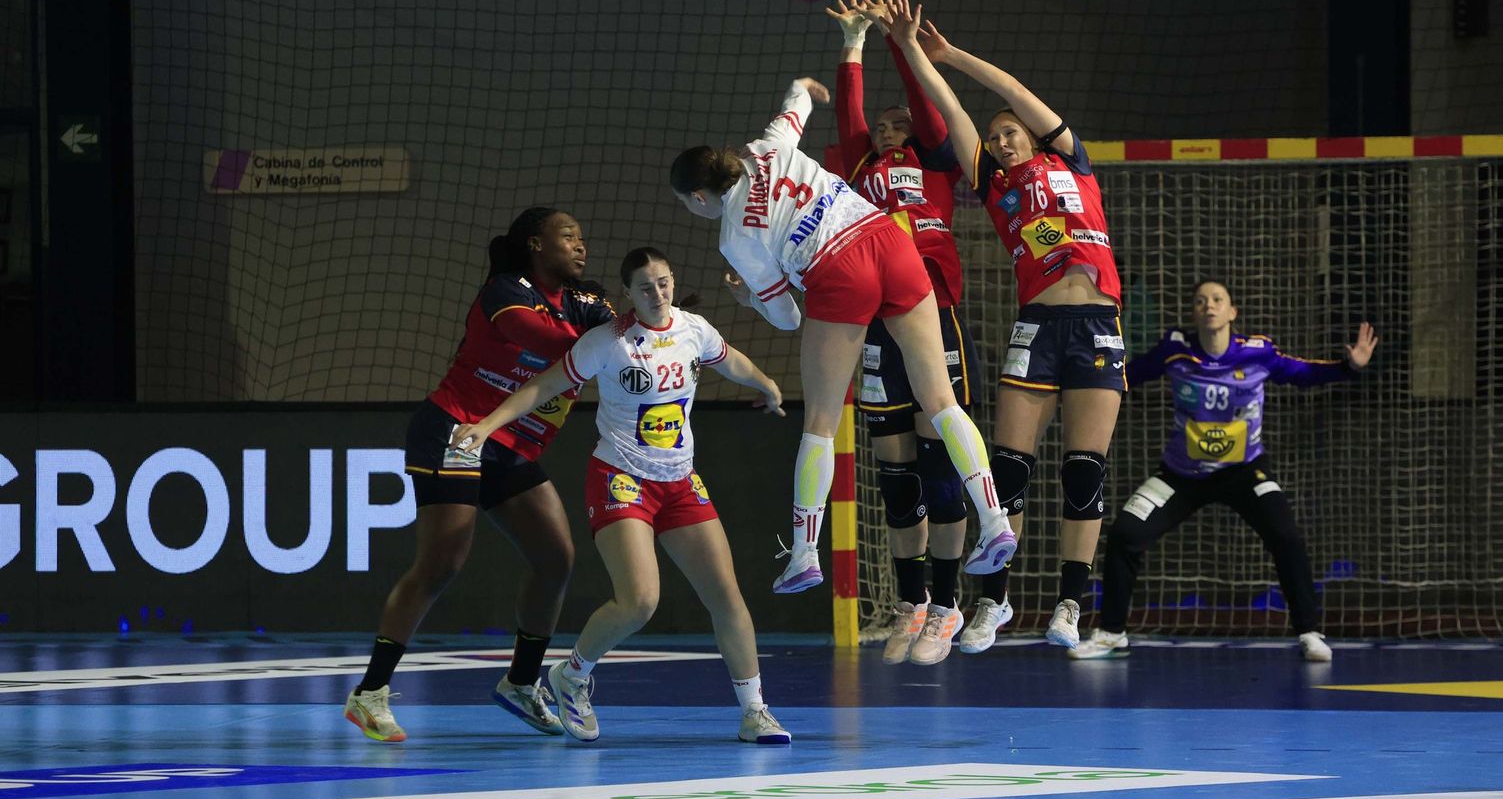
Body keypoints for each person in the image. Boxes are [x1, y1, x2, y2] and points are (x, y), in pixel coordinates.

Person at [668, 69, 1018, 653]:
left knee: (822, 423)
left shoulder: (734, 234)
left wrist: (749, 294)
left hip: (836, 269)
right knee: (941, 400)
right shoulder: (766, 147)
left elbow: (788, 318)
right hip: (888, 240)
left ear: (700, 197)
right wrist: (807, 85)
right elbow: (794, 103)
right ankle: (996, 522)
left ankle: (805, 553)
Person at [451, 247, 793, 743]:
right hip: (621, 479)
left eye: (664, 282)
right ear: (629, 294)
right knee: (639, 601)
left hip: (679, 480)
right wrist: (485, 427)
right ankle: (572, 673)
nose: (658, 294)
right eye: (646, 287)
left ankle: (755, 711)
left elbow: (729, 359)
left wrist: (766, 384)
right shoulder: (608, 341)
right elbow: (542, 386)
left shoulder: (693, 329)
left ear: (674, 282)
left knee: (727, 598)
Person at [883, 0, 1122, 654]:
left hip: (1099, 324)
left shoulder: (1070, 160)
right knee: (1008, 469)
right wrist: (911, 53)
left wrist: (952, 52)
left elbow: (1010, 89)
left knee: (1084, 473)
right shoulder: (995, 184)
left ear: (1033, 133)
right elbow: (954, 113)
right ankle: (993, 604)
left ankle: (1071, 604)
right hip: (1038, 328)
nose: (1000, 136)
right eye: (994, 137)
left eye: (1009, 129)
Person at [343, 207, 613, 742]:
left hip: (510, 445)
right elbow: (544, 341)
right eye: (568, 236)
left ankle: (520, 681)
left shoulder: (588, 300)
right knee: (442, 562)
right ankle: (368, 693)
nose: (581, 245)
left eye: (583, 236)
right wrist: (609, 335)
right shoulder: (504, 291)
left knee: (556, 557)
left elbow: (629, 339)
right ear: (536, 245)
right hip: (457, 430)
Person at [1073, 280, 1378, 662]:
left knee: (1286, 535)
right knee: (1125, 533)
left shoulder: (1257, 354)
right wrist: (1084, 374)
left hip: (1244, 473)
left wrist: (1349, 367)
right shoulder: (1175, 351)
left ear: (1232, 312)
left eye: (1217, 300)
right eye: (1201, 301)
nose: (1209, 306)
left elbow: (1303, 373)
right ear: (1194, 313)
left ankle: (1310, 632)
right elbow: (1127, 375)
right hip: (1180, 475)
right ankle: (1112, 632)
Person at [825, 0, 979, 667]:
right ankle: (911, 602)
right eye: (880, 126)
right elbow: (849, 119)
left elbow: (924, 107)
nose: (889, 129)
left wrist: (896, 40)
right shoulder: (859, 171)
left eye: (899, 124)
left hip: (933, 314)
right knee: (897, 479)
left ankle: (948, 605)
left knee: (942, 467)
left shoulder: (935, 164)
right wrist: (851, 47)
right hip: (877, 323)